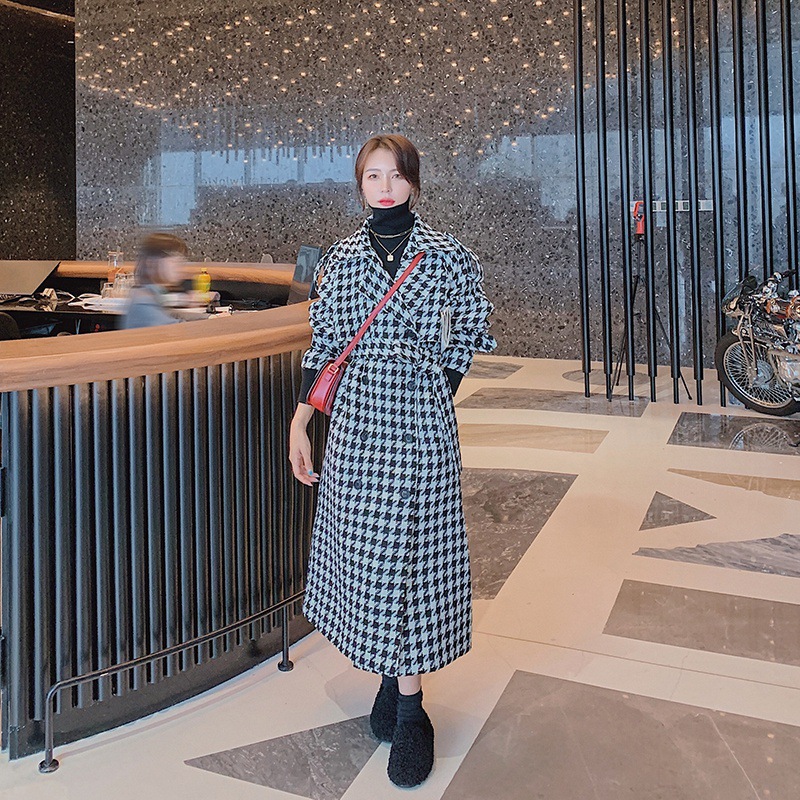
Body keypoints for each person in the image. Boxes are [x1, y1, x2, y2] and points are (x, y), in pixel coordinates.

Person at [288, 134, 496, 788]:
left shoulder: (447, 254)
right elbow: (326, 344)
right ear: (360, 183)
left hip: (421, 427)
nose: (384, 187)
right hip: (357, 429)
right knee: (371, 561)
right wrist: (301, 421)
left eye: (396, 175)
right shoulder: (342, 258)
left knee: (414, 560)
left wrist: (436, 388)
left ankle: (410, 710)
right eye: (373, 175)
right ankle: (388, 679)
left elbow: (470, 329)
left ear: (413, 181)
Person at [120, 233, 189, 330]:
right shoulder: (143, 303)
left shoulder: (150, 293)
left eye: (182, 261)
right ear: (151, 262)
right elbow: (175, 331)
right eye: (174, 260)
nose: (180, 266)